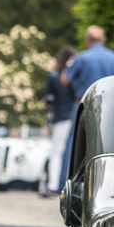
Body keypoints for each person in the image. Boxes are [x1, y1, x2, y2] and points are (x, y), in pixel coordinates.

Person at [41, 46, 76, 197]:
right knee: (68, 152)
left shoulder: (54, 76)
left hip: (59, 117)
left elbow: (48, 99)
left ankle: (53, 185)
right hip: (72, 115)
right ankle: (65, 185)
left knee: (56, 151)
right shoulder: (72, 76)